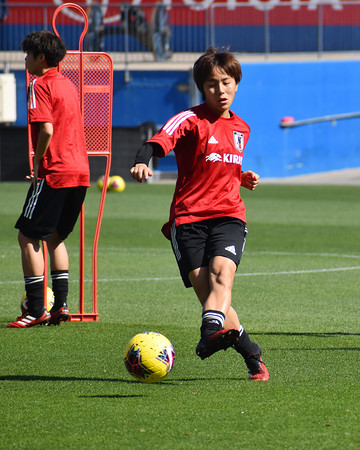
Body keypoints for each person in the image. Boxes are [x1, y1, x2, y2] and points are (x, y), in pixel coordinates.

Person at [130, 47, 269, 380]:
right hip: (189, 218)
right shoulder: (189, 120)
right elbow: (157, 142)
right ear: (201, 87)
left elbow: (220, 165)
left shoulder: (242, 129)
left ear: (236, 83)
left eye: (226, 82)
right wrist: (140, 161)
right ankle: (252, 353)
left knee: (223, 276)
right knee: (210, 296)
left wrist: (240, 176)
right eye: (211, 84)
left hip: (229, 215)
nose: (220, 91)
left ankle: (209, 335)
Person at [7, 31, 90, 328]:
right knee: (55, 237)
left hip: (55, 171)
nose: (25, 60)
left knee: (27, 236)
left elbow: (47, 129)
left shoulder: (38, 84)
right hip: (81, 171)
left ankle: (36, 309)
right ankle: (61, 306)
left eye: (28, 55)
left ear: (41, 58)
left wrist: (39, 162)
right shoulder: (69, 85)